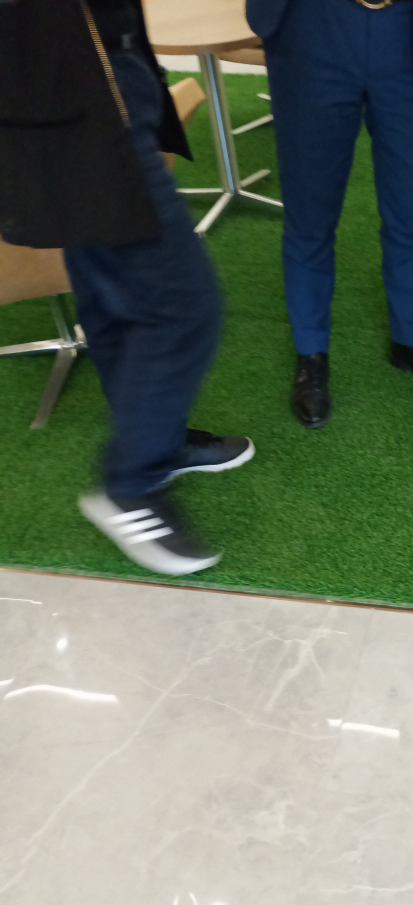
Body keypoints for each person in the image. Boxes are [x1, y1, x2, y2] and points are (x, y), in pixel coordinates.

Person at [0, 0, 254, 574]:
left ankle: (157, 444)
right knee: (183, 306)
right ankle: (131, 485)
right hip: (66, 96)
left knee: (111, 293)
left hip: (102, 68)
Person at [246, 0, 413, 429]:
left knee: (410, 203)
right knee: (309, 210)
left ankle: (412, 339)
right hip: (311, 26)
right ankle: (310, 352)